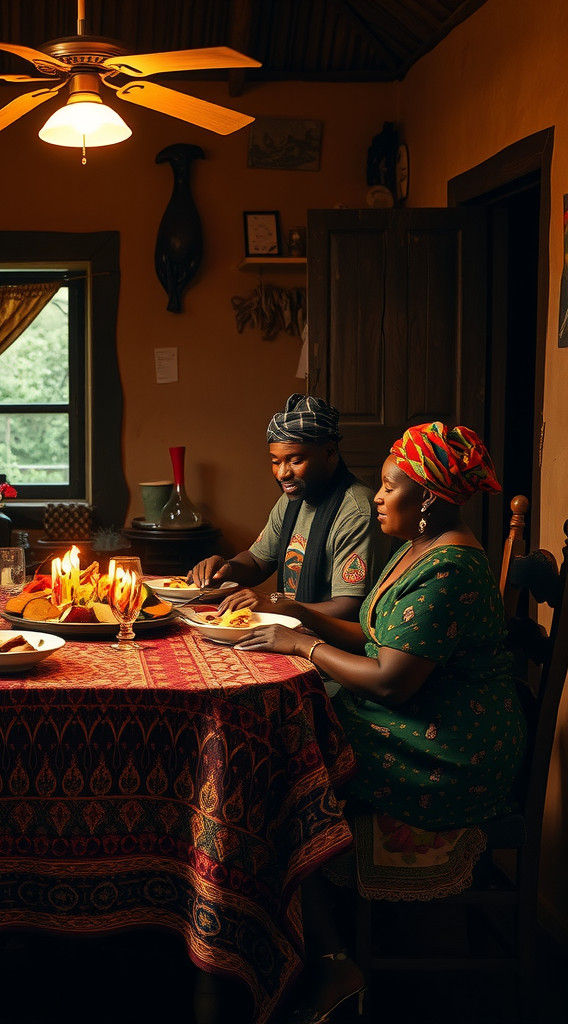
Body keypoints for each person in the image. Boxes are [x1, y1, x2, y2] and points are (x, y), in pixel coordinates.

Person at [234, 422, 527, 1023]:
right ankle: (293, 939)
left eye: (391, 486)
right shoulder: (419, 547)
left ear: (430, 498)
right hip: (422, 725)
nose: (378, 496)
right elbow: (375, 635)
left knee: (289, 769)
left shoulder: (449, 569)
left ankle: (332, 960)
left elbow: (393, 679)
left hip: (449, 751)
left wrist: (301, 646)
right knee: (288, 743)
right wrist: (296, 613)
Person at [189, 394, 390, 621]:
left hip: (330, 636)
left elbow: (350, 608)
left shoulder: (357, 511)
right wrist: (227, 568)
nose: (282, 473)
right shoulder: (292, 499)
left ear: (330, 452)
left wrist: (275, 606)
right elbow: (258, 562)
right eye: (275, 462)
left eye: (295, 461)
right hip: (291, 626)